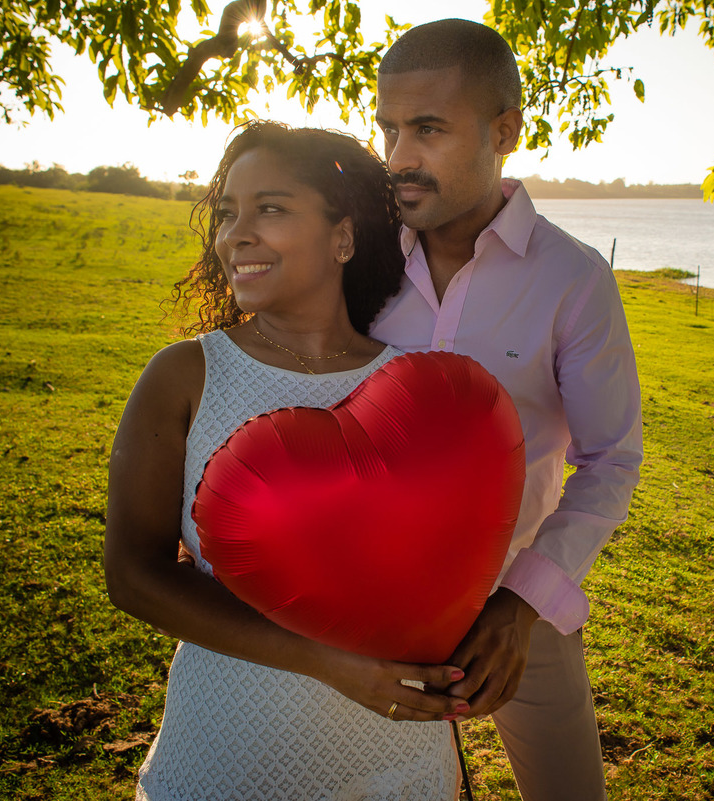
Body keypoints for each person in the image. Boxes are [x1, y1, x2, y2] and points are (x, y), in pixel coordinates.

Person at [104, 122, 468, 800]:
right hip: (227, 757)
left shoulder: (418, 387)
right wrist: (330, 663)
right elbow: (132, 573)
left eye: (269, 207)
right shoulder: (185, 376)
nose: (235, 233)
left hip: (401, 763)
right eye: (226, 213)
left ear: (343, 236)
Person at [372, 19, 644, 801]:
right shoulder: (361, 261)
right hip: (370, 600)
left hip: (516, 607)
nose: (398, 157)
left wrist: (522, 605)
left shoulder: (575, 279)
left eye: (427, 128)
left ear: (505, 130)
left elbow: (611, 461)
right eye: (388, 127)